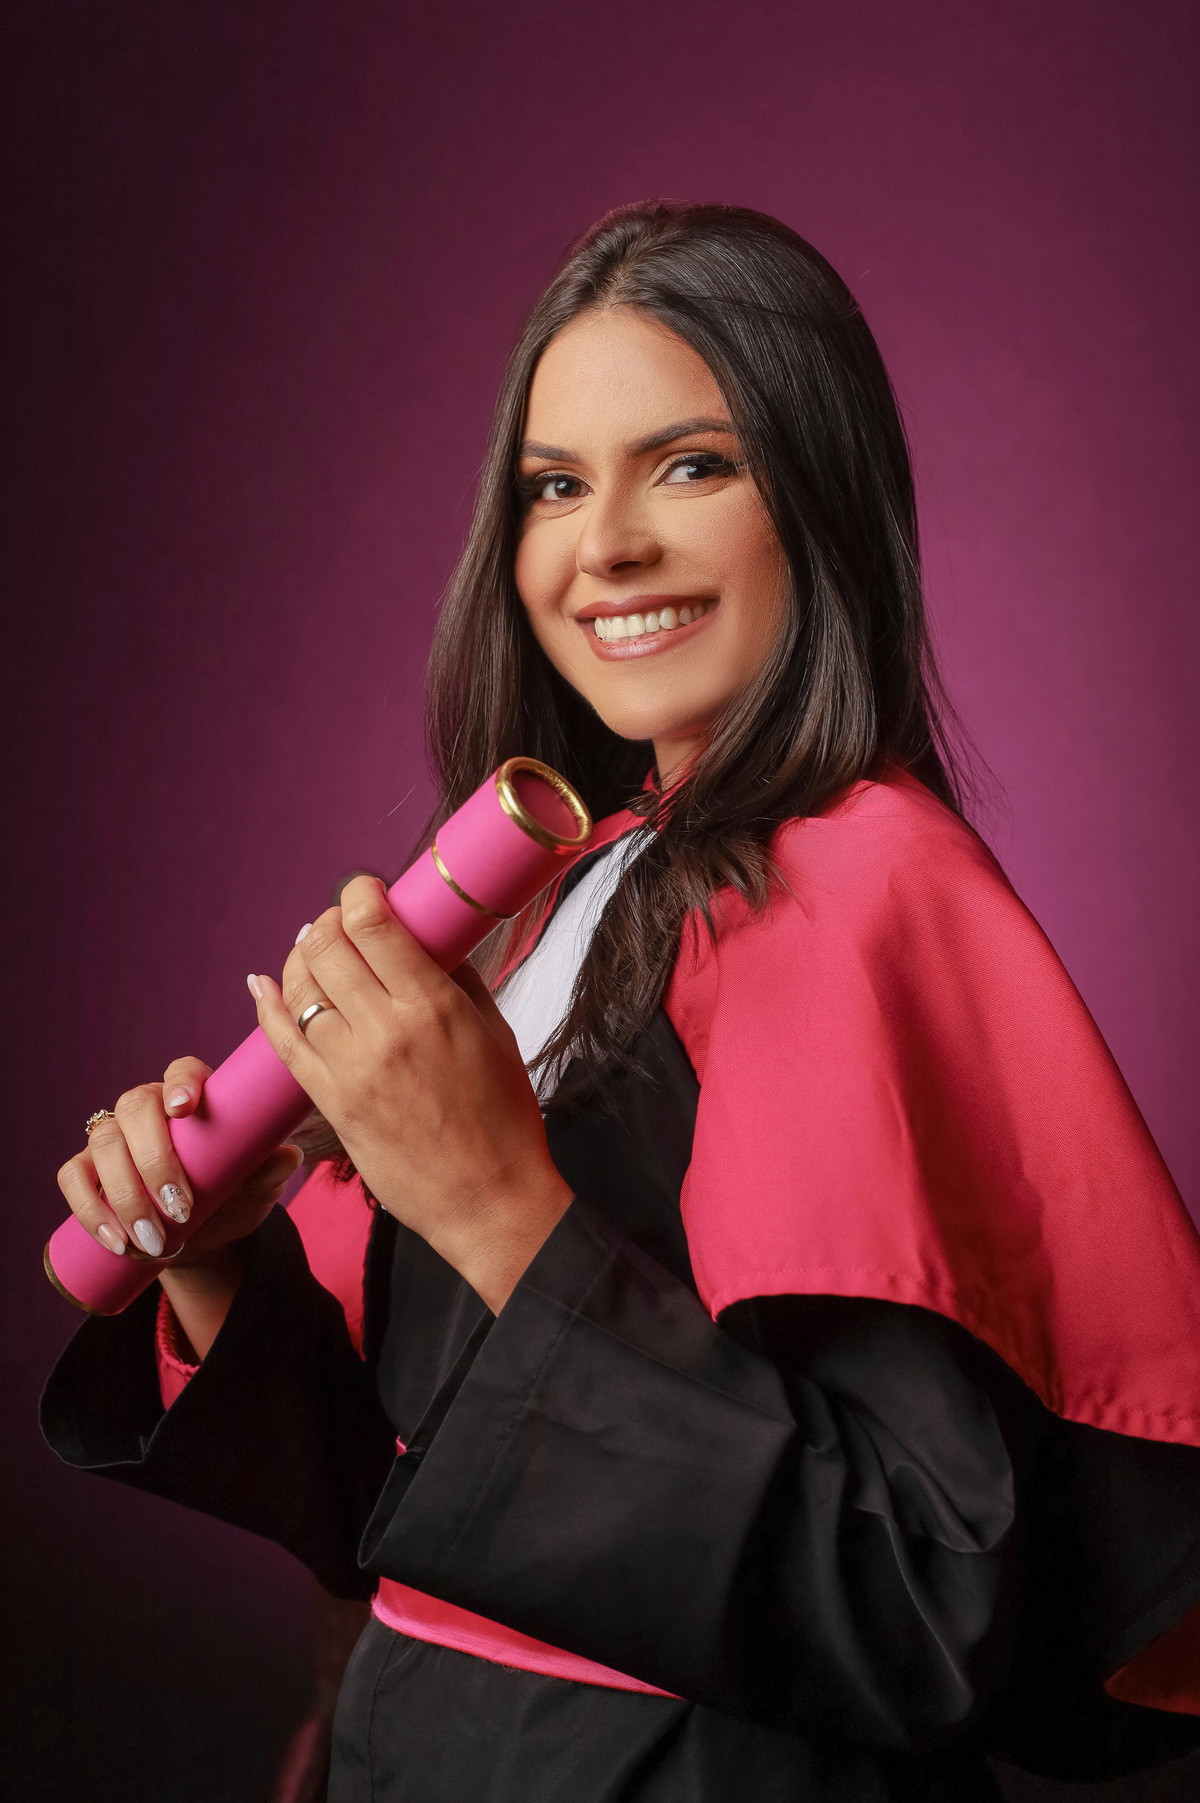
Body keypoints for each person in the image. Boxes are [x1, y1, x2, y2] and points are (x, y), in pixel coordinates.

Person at [42, 202, 1200, 1801]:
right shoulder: (562, 882)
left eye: (693, 466)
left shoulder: (872, 886)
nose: (607, 548)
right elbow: (406, 1485)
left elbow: (918, 1606)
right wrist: (215, 1261)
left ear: (824, 496)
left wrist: (495, 1205)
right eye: (556, 486)